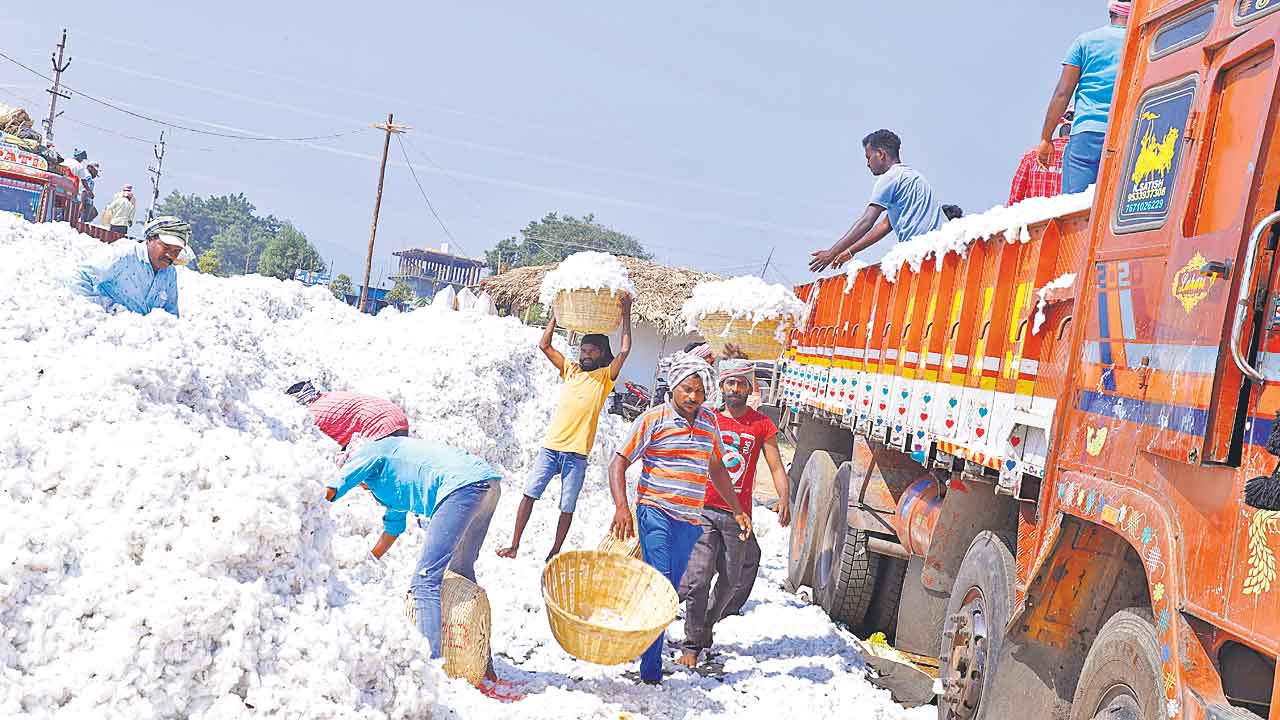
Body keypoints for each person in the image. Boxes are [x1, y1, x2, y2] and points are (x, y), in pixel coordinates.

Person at [608, 352, 753, 685]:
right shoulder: (653, 419)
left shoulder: (708, 423)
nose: (693, 397)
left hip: (690, 519)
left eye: (700, 392)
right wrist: (621, 506)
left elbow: (716, 467)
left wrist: (737, 509)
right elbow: (618, 462)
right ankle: (651, 669)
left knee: (670, 591)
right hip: (654, 510)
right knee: (662, 581)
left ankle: (638, 635)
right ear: (673, 387)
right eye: (687, 389)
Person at [324, 436, 502, 681]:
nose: (360, 485)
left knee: (425, 580)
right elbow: (393, 528)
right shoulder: (389, 476)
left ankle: (429, 672)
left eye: (358, 478)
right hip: (486, 483)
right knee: (462, 573)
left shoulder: (371, 452)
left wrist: (310, 508)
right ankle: (483, 662)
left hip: (462, 488)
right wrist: (370, 559)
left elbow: (334, 487)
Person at [497, 295, 633, 561]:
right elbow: (544, 344)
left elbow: (626, 350)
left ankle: (555, 551)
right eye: (583, 350)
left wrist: (626, 312)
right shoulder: (570, 370)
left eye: (591, 351)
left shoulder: (604, 377)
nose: (585, 354)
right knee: (529, 495)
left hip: (577, 455)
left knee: (567, 507)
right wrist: (558, 313)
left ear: (602, 354)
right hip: (550, 449)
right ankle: (514, 544)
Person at [676, 359, 790, 669]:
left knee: (729, 581)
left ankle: (707, 625)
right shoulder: (708, 418)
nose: (735, 389)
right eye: (730, 383)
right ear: (722, 387)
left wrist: (786, 496)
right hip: (703, 509)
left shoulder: (762, 425)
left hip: (738, 515)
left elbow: (776, 465)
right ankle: (692, 643)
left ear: (750, 389)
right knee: (699, 578)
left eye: (741, 384)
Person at [809, 129, 947, 272]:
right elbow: (885, 225)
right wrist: (851, 251)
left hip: (923, 256)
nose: (868, 164)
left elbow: (867, 221)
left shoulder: (890, 177)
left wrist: (831, 253)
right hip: (941, 252)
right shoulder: (914, 177)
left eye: (868, 157)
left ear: (880, 154)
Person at [1037, 3, 1130, 194]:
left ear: (1110, 10)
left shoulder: (1085, 42)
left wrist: (1046, 138)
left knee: (1074, 207)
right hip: (1128, 134)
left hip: (1087, 134)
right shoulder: (1142, 40)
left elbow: (1063, 93)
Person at [72, 215, 189, 317]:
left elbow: (171, 313)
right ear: (150, 239)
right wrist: (99, 309)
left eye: (176, 251)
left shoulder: (169, 273)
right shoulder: (123, 256)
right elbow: (77, 276)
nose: (170, 255)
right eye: (166, 247)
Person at [285, 381, 410, 449]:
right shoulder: (329, 396)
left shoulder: (314, 415)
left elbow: (329, 451)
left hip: (381, 428)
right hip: (398, 418)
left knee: (380, 482)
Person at [1009, 114, 1073, 205]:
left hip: (1037, 217)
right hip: (1071, 217)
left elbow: (1014, 201)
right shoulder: (1086, 158)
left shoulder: (1032, 156)